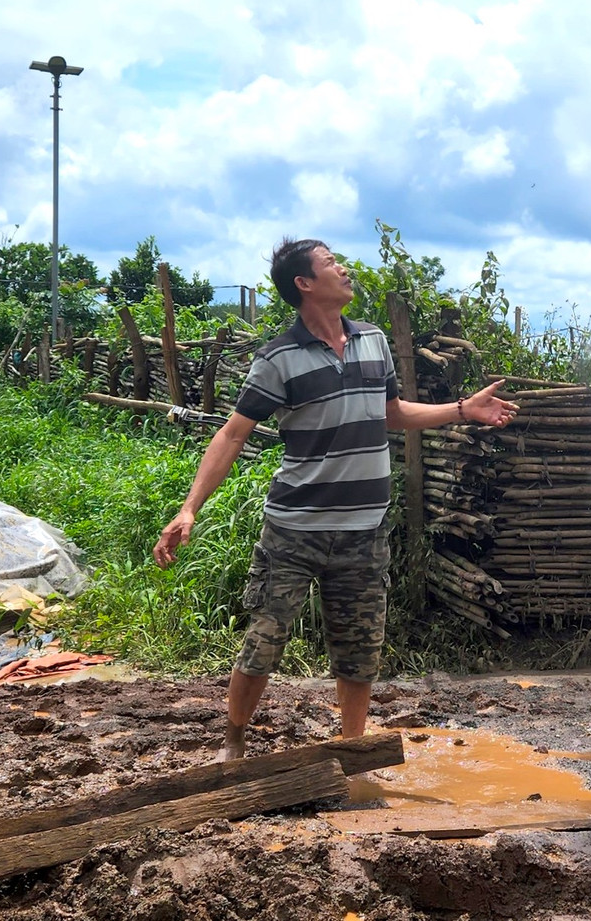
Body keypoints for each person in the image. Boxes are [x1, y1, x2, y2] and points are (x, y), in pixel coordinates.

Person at [152, 237, 517, 760]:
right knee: (265, 640)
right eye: (330, 263)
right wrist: (189, 508)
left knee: (360, 647)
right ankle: (232, 742)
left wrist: (462, 409)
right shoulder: (278, 358)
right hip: (293, 530)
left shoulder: (372, 341)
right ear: (304, 283)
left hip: (364, 531)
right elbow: (233, 434)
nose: (343, 268)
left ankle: (352, 749)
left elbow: (391, 413)